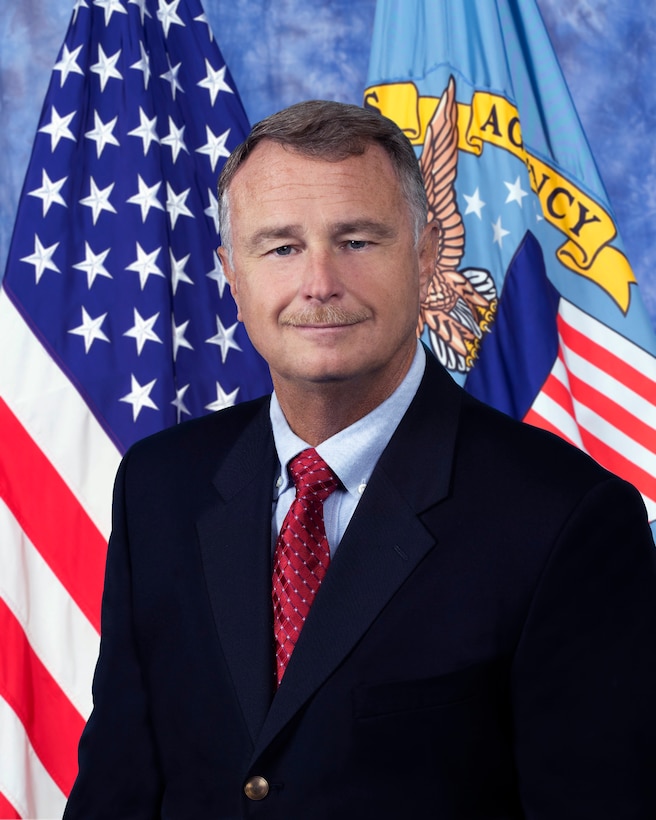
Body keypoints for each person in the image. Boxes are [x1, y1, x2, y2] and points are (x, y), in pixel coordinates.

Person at [64, 100, 656, 819]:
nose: (319, 283)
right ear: (231, 275)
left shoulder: (565, 519)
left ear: (427, 251)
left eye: (357, 241)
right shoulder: (160, 487)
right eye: (281, 247)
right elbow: (118, 791)